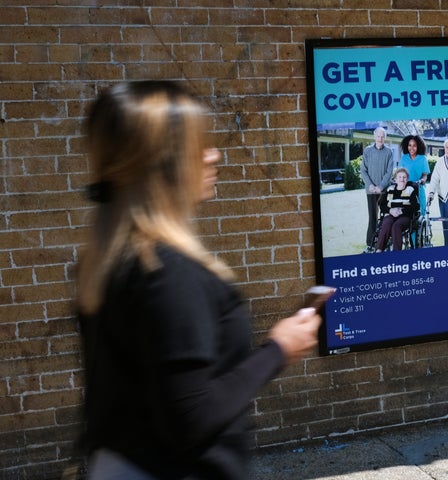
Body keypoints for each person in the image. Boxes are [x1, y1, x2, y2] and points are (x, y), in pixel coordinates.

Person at [75, 80, 322, 480]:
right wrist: (279, 349)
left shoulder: (106, 262)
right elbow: (190, 415)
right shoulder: (168, 275)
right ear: (165, 165)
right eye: (199, 145)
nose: (214, 155)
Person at [360, 127, 394, 253]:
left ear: (384, 137)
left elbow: (389, 172)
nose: (380, 139)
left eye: (382, 136)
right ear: (374, 136)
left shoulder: (389, 152)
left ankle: (383, 242)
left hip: (384, 191)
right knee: (373, 217)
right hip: (370, 191)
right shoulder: (367, 151)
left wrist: (380, 186)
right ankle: (370, 244)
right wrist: (370, 185)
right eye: (378, 136)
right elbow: (363, 170)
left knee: (386, 217)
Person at [375, 168, 419, 252]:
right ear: (395, 179)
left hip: (405, 216)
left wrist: (402, 211)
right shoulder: (390, 189)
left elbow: (415, 206)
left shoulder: (410, 190)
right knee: (386, 223)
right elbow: (382, 205)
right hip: (391, 214)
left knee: (396, 226)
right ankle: (379, 250)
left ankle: (396, 252)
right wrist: (390, 210)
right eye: (399, 177)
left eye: (404, 177)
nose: (402, 179)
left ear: (407, 179)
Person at [398, 135, 430, 216]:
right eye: (410, 145)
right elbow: (399, 173)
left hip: (418, 188)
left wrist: (422, 180)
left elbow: (424, 175)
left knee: (421, 212)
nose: (411, 148)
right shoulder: (403, 158)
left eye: (414, 145)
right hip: (405, 189)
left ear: (418, 146)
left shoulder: (423, 159)